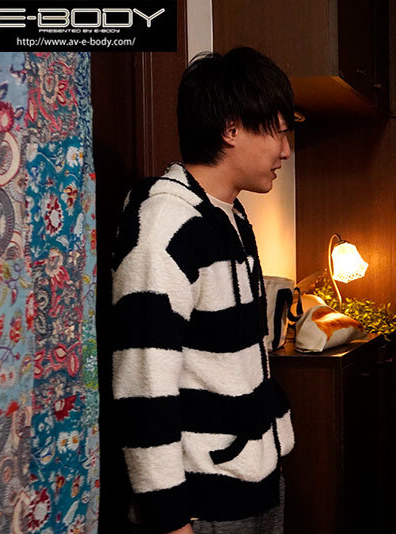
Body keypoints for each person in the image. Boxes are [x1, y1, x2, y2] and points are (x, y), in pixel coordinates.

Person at [111, 47, 295, 534]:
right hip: (203, 502)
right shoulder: (166, 225)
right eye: (277, 131)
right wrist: (169, 519)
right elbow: (143, 383)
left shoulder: (228, 214)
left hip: (253, 478)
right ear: (231, 128)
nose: (285, 150)